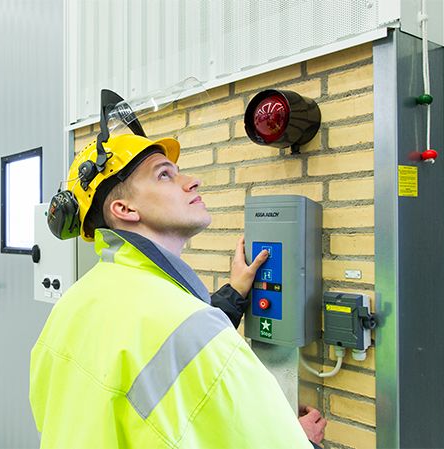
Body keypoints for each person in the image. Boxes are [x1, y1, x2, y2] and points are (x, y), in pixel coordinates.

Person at [30, 131, 326, 448]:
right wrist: (302, 439)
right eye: (164, 175)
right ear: (124, 209)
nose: (192, 181)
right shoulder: (191, 327)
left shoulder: (74, 302)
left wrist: (235, 292)